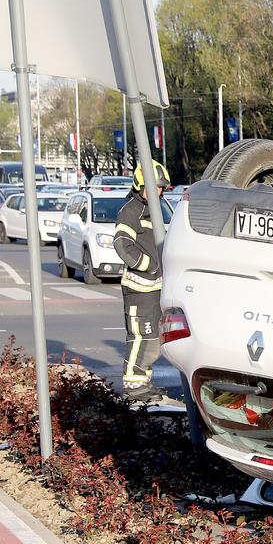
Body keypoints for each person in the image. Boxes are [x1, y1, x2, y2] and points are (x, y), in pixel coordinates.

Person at [112, 159, 169, 402]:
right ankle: (133, 386)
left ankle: (143, 381)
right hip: (139, 288)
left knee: (152, 339)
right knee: (140, 337)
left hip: (156, 288)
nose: (158, 191)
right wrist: (150, 266)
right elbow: (122, 245)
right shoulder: (131, 210)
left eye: (160, 187)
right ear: (140, 185)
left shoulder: (158, 209)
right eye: (153, 187)